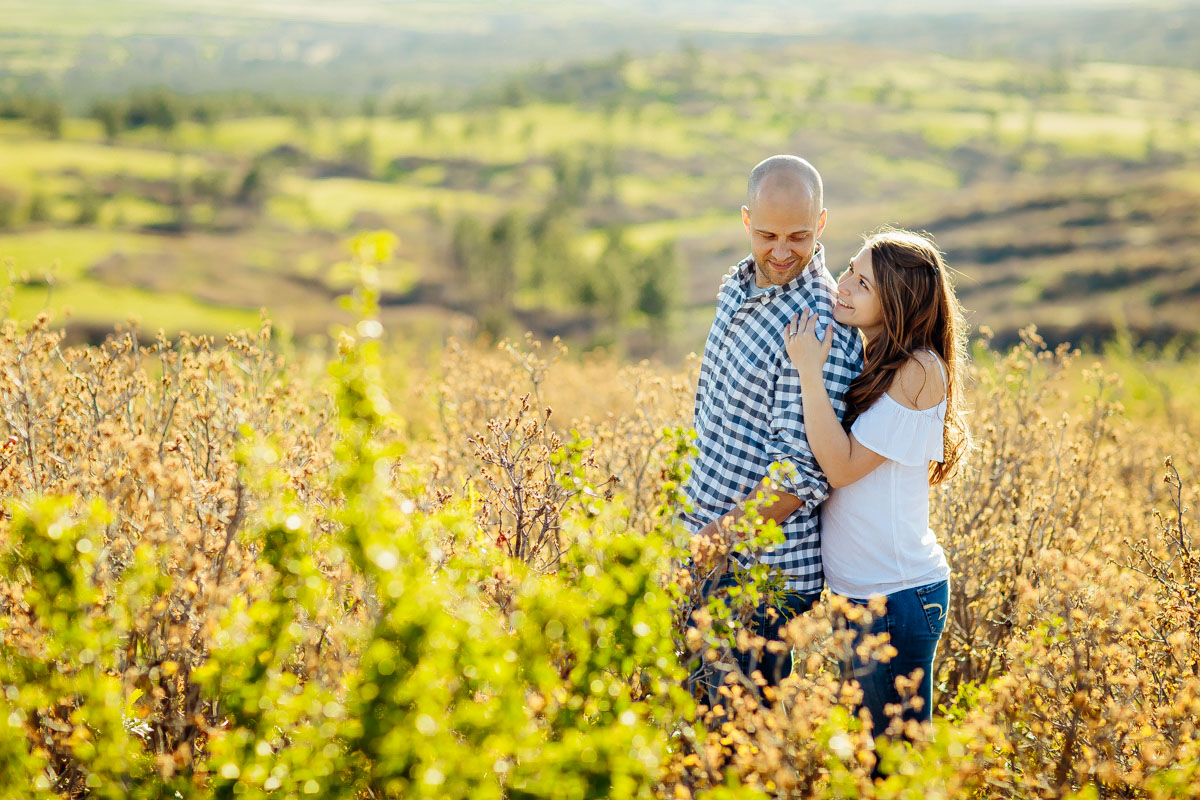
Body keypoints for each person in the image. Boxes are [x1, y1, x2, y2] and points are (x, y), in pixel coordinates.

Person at [681, 155, 864, 707]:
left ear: (823, 225)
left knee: (735, 748)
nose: (781, 252)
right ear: (745, 221)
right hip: (708, 553)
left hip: (759, 575)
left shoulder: (819, 323)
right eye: (767, 235)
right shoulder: (736, 286)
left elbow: (799, 478)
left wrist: (710, 544)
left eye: (799, 236)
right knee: (691, 731)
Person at [782, 228, 969, 742]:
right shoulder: (874, 358)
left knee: (892, 767)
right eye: (848, 270)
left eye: (861, 282)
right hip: (862, 597)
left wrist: (807, 370)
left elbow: (840, 469)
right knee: (872, 760)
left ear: (898, 301)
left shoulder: (918, 369)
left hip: (895, 597)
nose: (842, 284)